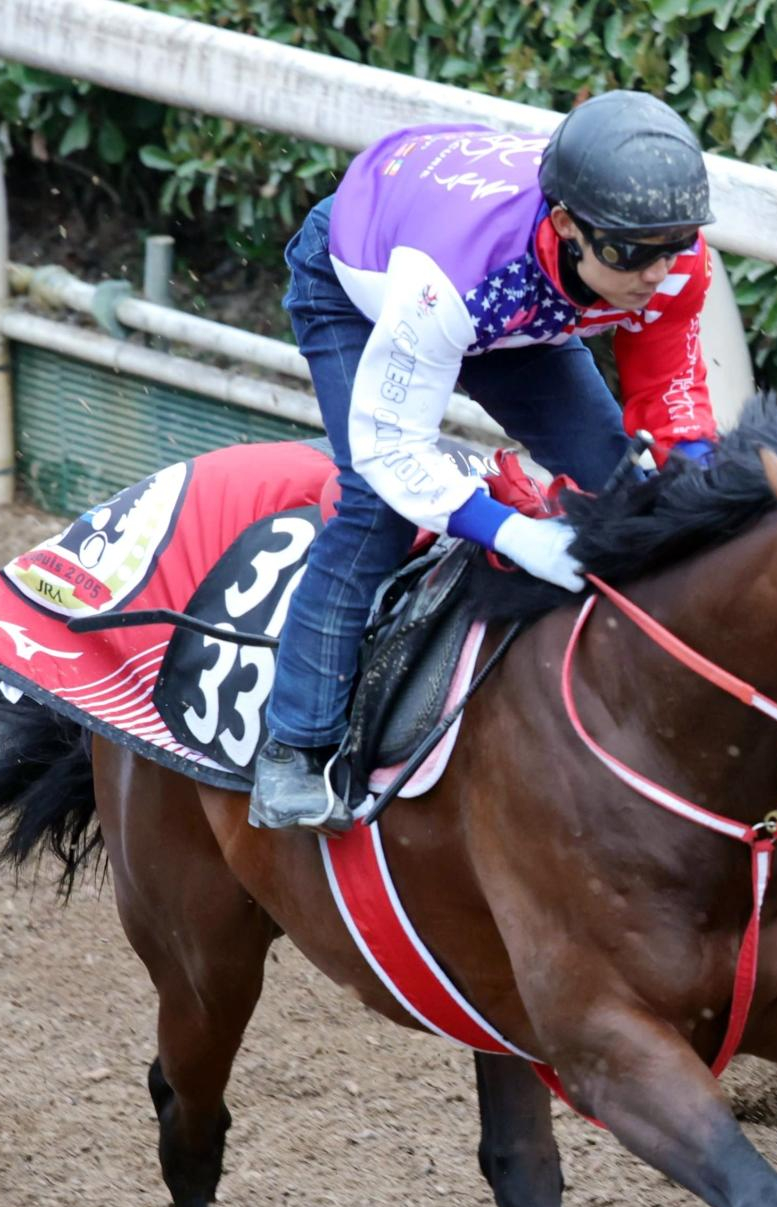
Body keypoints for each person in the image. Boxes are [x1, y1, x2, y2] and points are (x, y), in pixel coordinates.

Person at [253, 90, 719, 830]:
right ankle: (292, 746)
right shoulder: (453, 280)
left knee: (619, 483)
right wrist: (512, 532)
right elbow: (391, 448)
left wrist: (697, 493)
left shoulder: (667, 258)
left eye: (673, 246)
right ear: (567, 223)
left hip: (520, 310)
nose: (653, 273)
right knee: (373, 509)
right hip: (381, 279)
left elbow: (672, 397)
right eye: (630, 253)